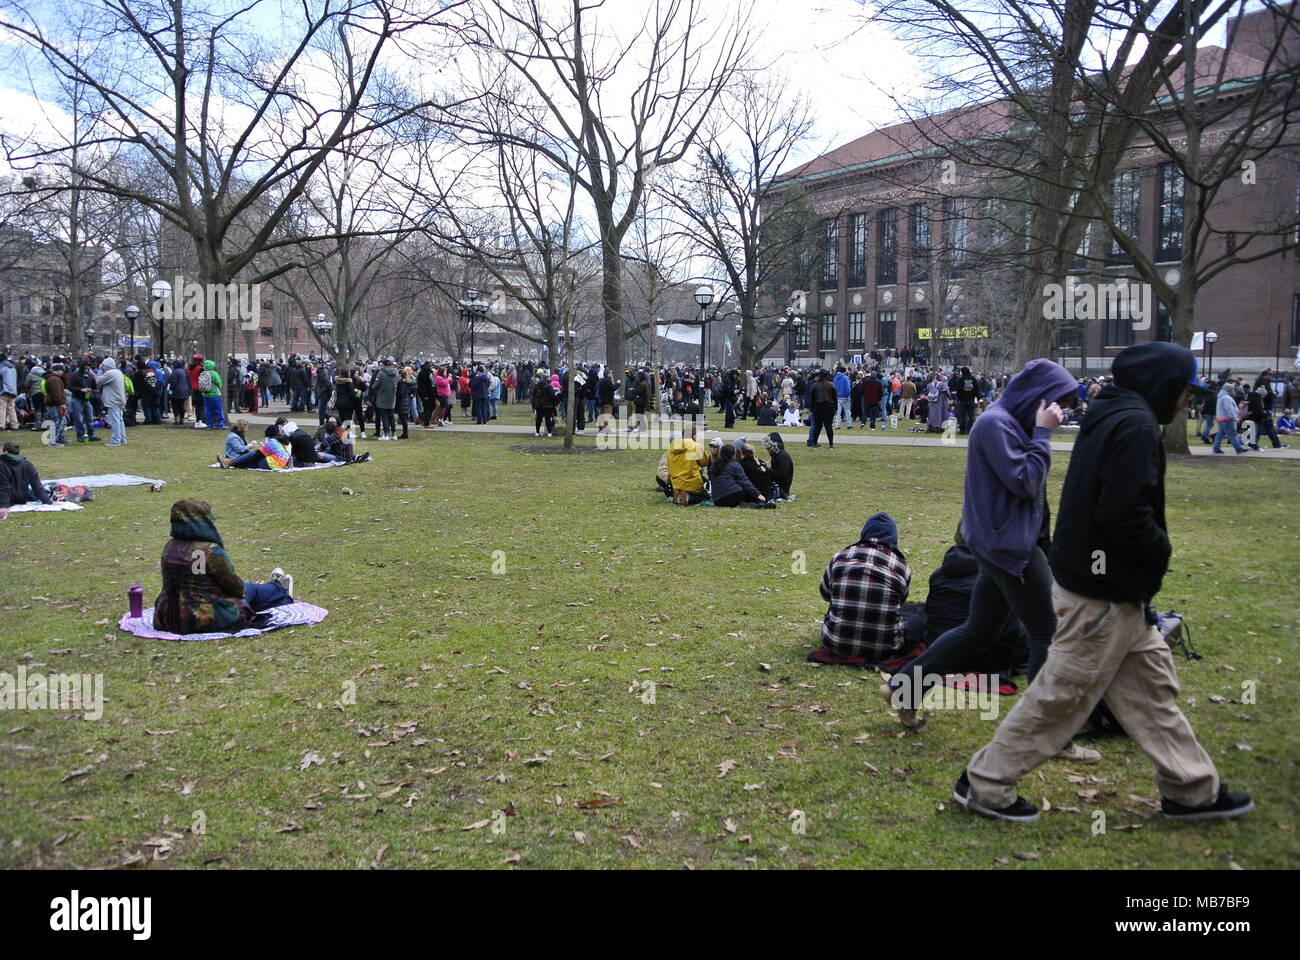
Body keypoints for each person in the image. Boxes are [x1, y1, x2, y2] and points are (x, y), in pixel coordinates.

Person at [955, 342, 1253, 823]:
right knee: (1062, 694)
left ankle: (1192, 789)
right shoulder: (1132, 425)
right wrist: (1158, 552)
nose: (1187, 402)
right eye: (1184, 392)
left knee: (1152, 691)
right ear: (1163, 386)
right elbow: (1120, 514)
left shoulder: (1116, 414)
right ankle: (985, 783)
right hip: (1103, 592)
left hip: (1116, 590)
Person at [885, 359, 1086, 757]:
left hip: (1004, 545)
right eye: (1058, 402)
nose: (1061, 412)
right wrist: (1044, 435)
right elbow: (1026, 482)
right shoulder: (996, 424)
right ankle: (1045, 733)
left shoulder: (1009, 423)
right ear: (1037, 396)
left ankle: (901, 688)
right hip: (1009, 549)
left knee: (979, 630)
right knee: (1047, 630)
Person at [152, 499, 295, 634]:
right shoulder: (209, 550)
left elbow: (192, 577)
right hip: (203, 618)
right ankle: (279, 590)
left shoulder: (170, 547)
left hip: (166, 617)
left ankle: (276, 589)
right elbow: (236, 588)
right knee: (250, 589)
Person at [817, 513, 925, 664]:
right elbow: (900, 603)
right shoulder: (902, 565)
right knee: (915, 620)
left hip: (835, 643)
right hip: (885, 648)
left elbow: (825, 594)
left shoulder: (840, 556)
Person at [0, 440, 54, 517]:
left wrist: (3, 506)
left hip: (7, 499)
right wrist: (48, 501)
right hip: (21, 498)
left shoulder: (2, 464)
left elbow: (4, 486)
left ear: (5, 452)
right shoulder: (27, 464)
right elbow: (36, 484)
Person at [666, 424, 709, 505]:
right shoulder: (695, 446)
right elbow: (704, 463)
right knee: (705, 495)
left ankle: (679, 496)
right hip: (691, 484)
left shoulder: (671, 448)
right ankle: (688, 497)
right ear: (694, 435)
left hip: (675, 484)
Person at [98, 357, 128, 446]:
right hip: (120, 399)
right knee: (119, 420)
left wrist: (100, 370)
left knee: (114, 421)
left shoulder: (109, 373)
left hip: (113, 400)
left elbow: (98, 381)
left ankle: (116, 440)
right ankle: (122, 439)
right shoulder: (118, 372)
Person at [1211, 377, 1247, 454]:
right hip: (1227, 419)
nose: (1234, 391)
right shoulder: (1227, 398)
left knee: (1220, 434)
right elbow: (1229, 409)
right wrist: (1235, 418)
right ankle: (1239, 448)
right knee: (1232, 434)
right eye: (1233, 389)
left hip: (1221, 419)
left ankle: (1216, 448)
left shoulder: (1221, 396)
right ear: (1229, 390)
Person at [808, 371, 838, 448]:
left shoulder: (815, 385)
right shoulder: (831, 385)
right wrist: (836, 409)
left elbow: (812, 399)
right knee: (829, 426)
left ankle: (814, 443)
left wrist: (811, 409)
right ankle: (831, 444)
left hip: (818, 407)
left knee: (817, 426)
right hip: (829, 406)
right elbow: (835, 398)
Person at [763, 432, 794, 501]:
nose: (767, 449)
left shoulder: (782, 456)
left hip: (781, 487)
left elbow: (782, 476)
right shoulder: (777, 455)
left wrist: (767, 469)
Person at [954, 366, 980, 435]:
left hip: (963, 401)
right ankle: (969, 430)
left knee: (962, 416)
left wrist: (959, 398)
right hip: (971, 400)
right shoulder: (973, 379)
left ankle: (962, 430)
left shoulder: (961, 379)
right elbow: (977, 389)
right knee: (971, 416)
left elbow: (958, 390)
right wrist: (978, 398)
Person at [531, 372, 557, 437]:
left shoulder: (536, 386)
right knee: (548, 419)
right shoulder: (549, 386)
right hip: (548, 405)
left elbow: (533, 395)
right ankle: (549, 433)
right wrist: (554, 404)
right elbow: (553, 396)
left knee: (539, 419)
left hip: (539, 405)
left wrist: (534, 405)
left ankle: (537, 432)